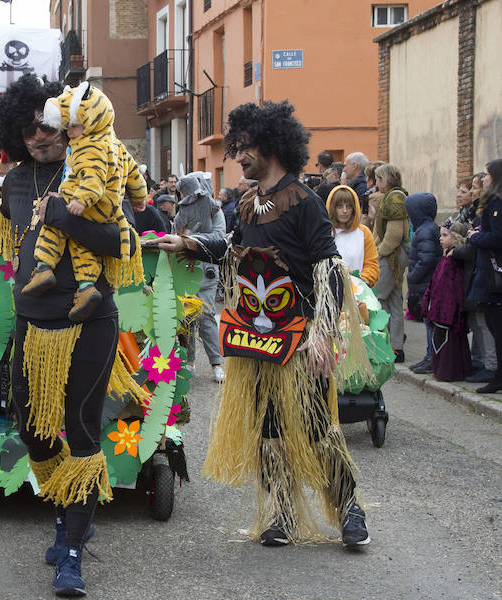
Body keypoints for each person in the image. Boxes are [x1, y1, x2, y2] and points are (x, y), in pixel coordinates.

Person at [154, 100, 372, 548]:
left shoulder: (305, 202)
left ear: (270, 144)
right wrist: (190, 243)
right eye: (236, 148)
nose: (238, 156)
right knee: (269, 433)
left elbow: (329, 267)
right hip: (257, 340)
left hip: (300, 339)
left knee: (316, 430)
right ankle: (282, 515)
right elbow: (235, 246)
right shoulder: (250, 203)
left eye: (244, 147)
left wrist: (323, 332)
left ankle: (350, 509)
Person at [0, 73, 135, 596]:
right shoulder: (12, 181)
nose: (39, 135)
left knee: (80, 432)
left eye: (48, 125)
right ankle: (71, 509)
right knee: (32, 430)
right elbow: (1, 235)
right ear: (16, 131)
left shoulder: (93, 169)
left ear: (66, 123)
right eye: (28, 128)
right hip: (33, 324)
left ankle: (72, 553)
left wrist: (63, 215)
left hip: (89, 323)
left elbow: (118, 240)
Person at [22, 82, 145, 321]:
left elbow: (94, 178)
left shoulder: (88, 148)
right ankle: (86, 286)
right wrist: (140, 196)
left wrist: (74, 204)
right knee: (80, 245)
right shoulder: (115, 145)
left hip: (91, 205)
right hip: (103, 210)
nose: (68, 132)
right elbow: (134, 174)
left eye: (73, 126)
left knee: (54, 227)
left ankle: (44, 267)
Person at [173, 172, 226, 382]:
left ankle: (216, 363)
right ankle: (189, 361)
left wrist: (190, 237)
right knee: (186, 318)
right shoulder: (184, 210)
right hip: (185, 269)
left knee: (206, 316)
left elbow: (218, 238)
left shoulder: (215, 212)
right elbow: (176, 233)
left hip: (206, 270)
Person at [466, 159, 502, 393]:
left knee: (496, 328)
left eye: (487, 175)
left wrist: (474, 237)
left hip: (493, 275)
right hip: (490, 271)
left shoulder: (496, 202)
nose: (484, 178)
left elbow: (497, 237)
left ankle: (498, 377)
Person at [423, 221, 471, 381]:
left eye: (445, 235)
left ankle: (451, 372)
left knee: (450, 343)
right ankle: (441, 370)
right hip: (439, 308)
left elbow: (452, 288)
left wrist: (446, 311)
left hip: (448, 311)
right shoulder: (446, 257)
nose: (440, 239)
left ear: (456, 238)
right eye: (440, 235)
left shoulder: (454, 261)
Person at [372, 163, 409, 362]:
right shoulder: (395, 196)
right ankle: (396, 347)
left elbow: (394, 234)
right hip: (394, 255)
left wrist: (379, 254)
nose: (377, 183)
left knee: (380, 299)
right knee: (395, 301)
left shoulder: (395, 197)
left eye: (379, 179)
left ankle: (386, 345)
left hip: (392, 255)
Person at [405, 192, 441, 374]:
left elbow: (426, 259)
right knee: (428, 322)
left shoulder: (425, 230)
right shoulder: (426, 228)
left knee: (429, 323)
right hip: (425, 283)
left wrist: (412, 276)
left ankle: (431, 357)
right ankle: (429, 356)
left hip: (426, 283)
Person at [326, 185, 379, 287]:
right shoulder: (325, 233)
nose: (345, 211)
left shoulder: (363, 232)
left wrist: (361, 281)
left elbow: (372, 264)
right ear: (333, 208)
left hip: (358, 293)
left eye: (349, 206)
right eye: (340, 206)